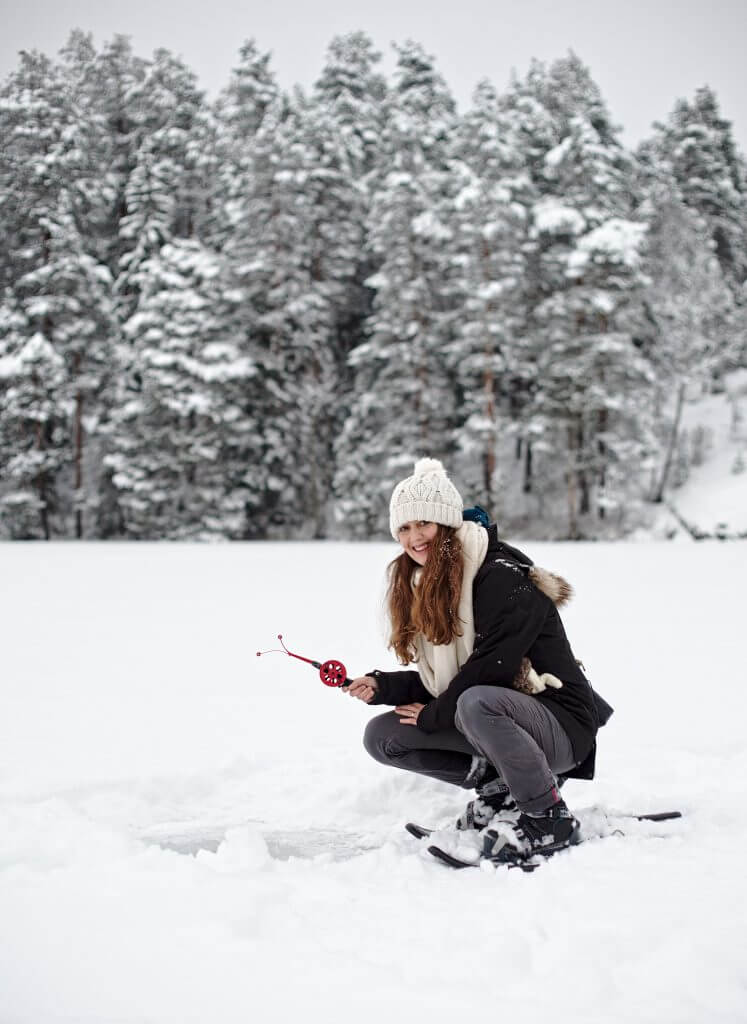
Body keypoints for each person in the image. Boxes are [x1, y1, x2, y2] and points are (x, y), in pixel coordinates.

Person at [347, 457, 612, 865]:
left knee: (475, 702)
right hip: (496, 712)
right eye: (404, 527)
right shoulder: (431, 582)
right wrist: (385, 686)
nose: (415, 537)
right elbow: (449, 680)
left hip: (561, 725)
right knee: (384, 735)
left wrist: (433, 717)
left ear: (447, 524)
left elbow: (490, 671)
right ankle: (499, 791)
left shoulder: (501, 575)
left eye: (424, 524)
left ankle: (547, 815)